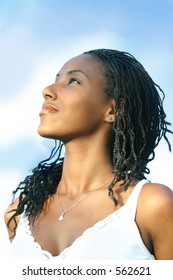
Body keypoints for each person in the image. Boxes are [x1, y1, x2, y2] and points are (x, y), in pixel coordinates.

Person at [4, 49, 173, 260]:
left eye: (73, 81)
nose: (47, 90)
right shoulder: (19, 214)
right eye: (56, 80)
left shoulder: (149, 206)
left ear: (113, 110)